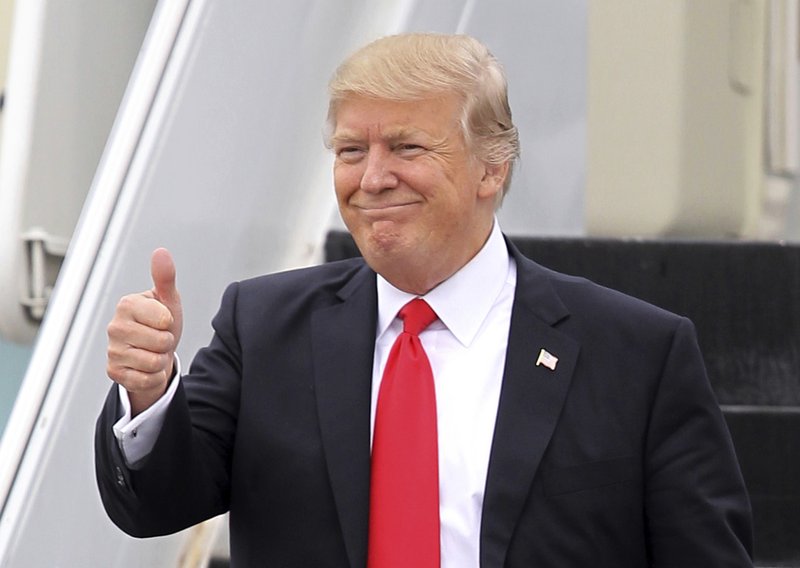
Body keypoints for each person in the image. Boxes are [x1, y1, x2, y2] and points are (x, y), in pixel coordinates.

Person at [95, 33, 753, 567]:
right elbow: (158, 505)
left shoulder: (636, 354)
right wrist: (151, 394)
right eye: (352, 150)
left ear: (491, 168)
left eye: (406, 147)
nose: (373, 178)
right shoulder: (263, 327)